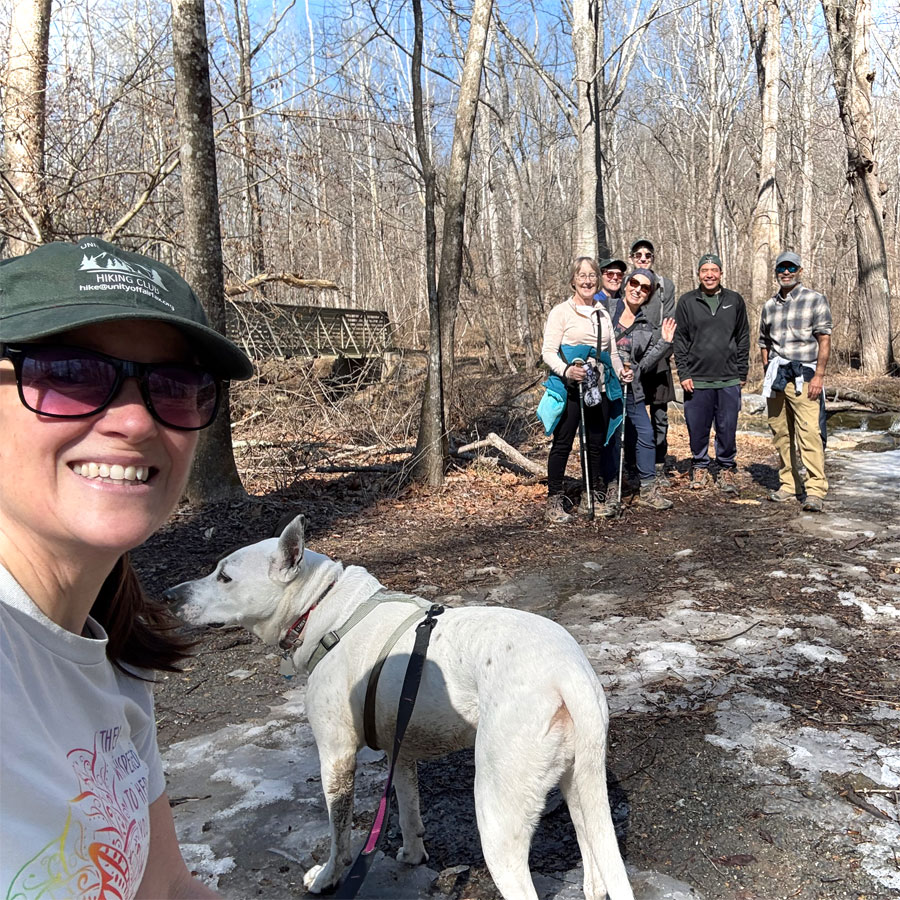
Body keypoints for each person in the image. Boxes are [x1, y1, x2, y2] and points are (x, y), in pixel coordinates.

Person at [0, 237, 254, 899]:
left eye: (176, 387)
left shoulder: (114, 666)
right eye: (69, 374)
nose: (136, 422)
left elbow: (164, 887)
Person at [539, 256, 629, 523]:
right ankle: (554, 501)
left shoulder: (602, 313)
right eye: (582, 276)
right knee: (563, 443)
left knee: (595, 444)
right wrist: (567, 370)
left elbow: (612, 353)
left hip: (597, 388)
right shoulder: (561, 312)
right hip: (570, 387)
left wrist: (621, 371)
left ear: (597, 281)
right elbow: (548, 352)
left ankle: (589, 496)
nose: (587, 281)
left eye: (592, 276)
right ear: (573, 281)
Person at [759, 250, 833, 512]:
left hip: (805, 374)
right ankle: (789, 484)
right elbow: (764, 342)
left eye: (791, 268)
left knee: (809, 433)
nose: (786, 272)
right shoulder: (769, 305)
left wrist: (819, 376)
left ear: (800, 271)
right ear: (776, 272)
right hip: (776, 375)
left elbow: (824, 339)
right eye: (782, 268)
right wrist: (767, 370)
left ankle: (815, 490)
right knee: (780, 432)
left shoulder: (815, 300)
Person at [673, 253, 749, 496]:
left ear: (721, 273)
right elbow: (680, 340)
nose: (709, 275)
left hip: (728, 377)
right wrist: (683, 373)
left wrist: (742, 371)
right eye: (704, 270)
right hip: (697, 379)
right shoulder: (687, 302)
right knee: (697, 427)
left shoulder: (734, 300)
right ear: (698, 274)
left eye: (714, 270)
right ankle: (700, 466)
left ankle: (726, 467)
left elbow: (743, 337)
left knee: (727, 427)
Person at [609, 268, 677, 510]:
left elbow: (644, 364)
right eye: (634, 283)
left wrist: (664, 343)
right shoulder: (607, 310)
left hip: (631, 388)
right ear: (627, 284)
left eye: (645, 288)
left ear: (649, 295)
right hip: (606, 387)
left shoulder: (646, 325)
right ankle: (608, 487)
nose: (638, 289)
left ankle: (648, 488)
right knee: (610, 437)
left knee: (646, 434)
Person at [628, 239, 678, 484]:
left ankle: (658, 464)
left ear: (653, 258)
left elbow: (669, 320)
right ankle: (632, 465)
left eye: (647, 255)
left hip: (658, 358)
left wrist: (661, 351)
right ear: (631, 258)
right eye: (638, 255)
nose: (643, 258)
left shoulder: (665, 286)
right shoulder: (627, 284)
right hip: (631, 359)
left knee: (660, 415)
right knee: (631, 415)